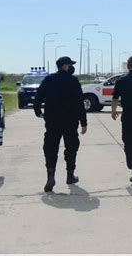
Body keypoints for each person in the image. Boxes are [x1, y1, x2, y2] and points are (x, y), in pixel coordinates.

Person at [34, 56, 88, 192]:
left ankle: (50, 176)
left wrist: (37, 110)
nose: (71, 67)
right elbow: (79, 103)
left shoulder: (49, 79)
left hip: (52, 120)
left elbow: (39, 96)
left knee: (50, 148)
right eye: (70, 65)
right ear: (65, 66)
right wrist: (83, 122)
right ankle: (70, 176)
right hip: (70, 121)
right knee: (71, 147)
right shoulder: (73, 81)